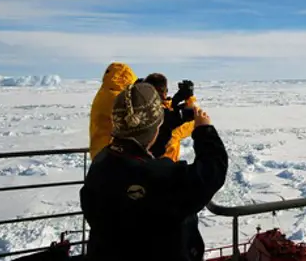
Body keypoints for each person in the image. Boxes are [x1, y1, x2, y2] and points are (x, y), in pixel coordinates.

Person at [80, 82, 228, 261]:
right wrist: (205, 131)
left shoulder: (102, 162)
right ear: (155, 128)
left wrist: (171, 119)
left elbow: (143, 138)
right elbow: (212, 171)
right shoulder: (161, 178)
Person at [138, 73, 198, 161]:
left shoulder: (140, 106)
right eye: (162, 91)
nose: (164, 95)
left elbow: (167, 110)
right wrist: (189, 98)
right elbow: (190, 117)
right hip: (163, 161)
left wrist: (177, 98)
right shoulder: (162, 115)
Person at [89, 62, 138, 160]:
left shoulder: (103, 93)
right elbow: (134, 121)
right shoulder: (116, 98)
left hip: (100, 151)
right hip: (111, 154)